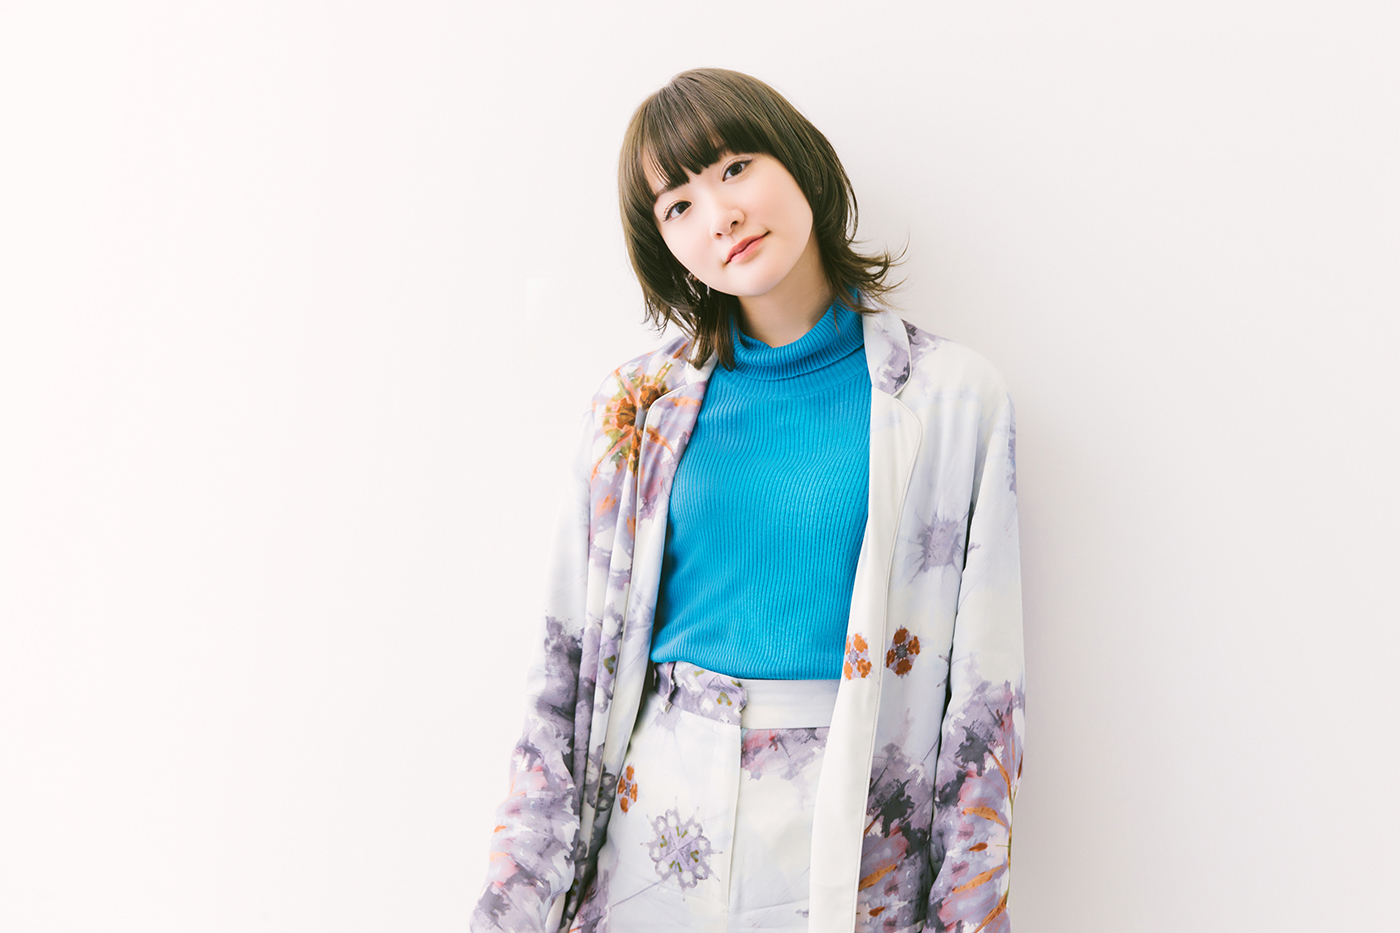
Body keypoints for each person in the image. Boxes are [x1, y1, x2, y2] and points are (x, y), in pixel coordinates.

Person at [471, 68, 1024, 933]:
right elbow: (563, 682)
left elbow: (985, 715)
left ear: (797, 161)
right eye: (678, 205)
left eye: (735, 168)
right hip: (650, 834)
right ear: (664, 245)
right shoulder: (636, 408)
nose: (720, 214)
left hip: (848, 839)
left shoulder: (952, 398)